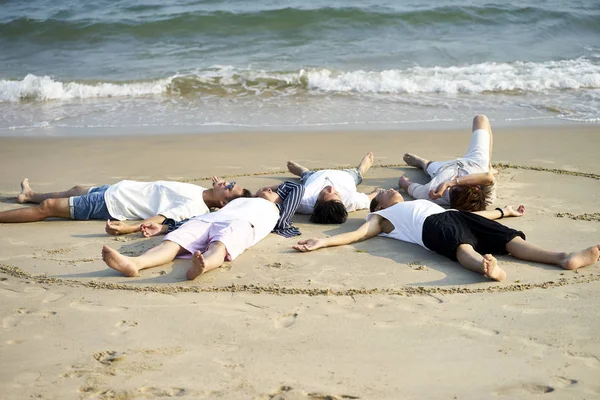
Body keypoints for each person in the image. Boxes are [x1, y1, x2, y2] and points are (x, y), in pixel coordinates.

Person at [293, 189, 600, 281]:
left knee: (509, 238)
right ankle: (485, 266)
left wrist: (504, 212)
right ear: (379, 206)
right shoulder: (380, 217)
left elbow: (473, 216)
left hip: (454, 216)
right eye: (385, 194)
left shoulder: (417, 202)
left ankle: (563, 258)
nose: (390, 191)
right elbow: (358, 235)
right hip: (433, 228)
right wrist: (322, 241)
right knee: (460, 247)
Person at [102, 181, 305, 280]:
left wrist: (276, 190)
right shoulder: (242, 200)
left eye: (274, 192)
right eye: (266, 189)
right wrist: (164, 227)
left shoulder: (280, 213)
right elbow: (189, 218)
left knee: (219, 245)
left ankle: (204, 265)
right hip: (210, 218)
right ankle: (135, 263)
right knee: (173, 242)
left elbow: (296, 188)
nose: (270, 190)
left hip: (242, 224)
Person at [1, 177, 251, 236]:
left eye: (230, 187)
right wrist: (218, 187)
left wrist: (130, 228)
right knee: (76, 189)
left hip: (111, 203)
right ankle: (29, 195)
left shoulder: (195, 205)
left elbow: (161, 218)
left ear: (221, 202)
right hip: (117, 189)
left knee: (49, 207)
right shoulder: (201, 192)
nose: (226, 183)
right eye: (231, 183)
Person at [399, 114, 497, 211]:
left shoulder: (430, 194)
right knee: (480, 119)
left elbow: (405, 183)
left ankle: (423, 163)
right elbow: (489, 177)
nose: (453, 187)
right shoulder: (485, 198)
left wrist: (404, 182)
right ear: (476, 188)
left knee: (428, 166)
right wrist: (450, 183)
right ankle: (490, 166)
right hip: (475, 161)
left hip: (444, 169)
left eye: (452, 189)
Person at [287, 152, 379, 224]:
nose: (331, 188)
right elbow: (370, 198)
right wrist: (377, 192)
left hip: (314, 176)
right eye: (336, 194)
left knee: (306, 175)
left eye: (324, 193)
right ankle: (361, 168)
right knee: (358, 175)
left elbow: (279, 197)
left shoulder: (303, 201)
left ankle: (303, 171)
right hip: (346, 175)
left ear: (316, 202)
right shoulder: (351, 201)